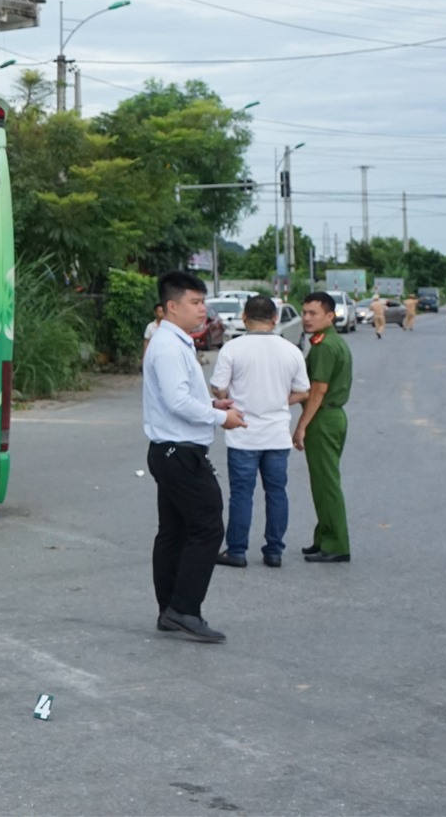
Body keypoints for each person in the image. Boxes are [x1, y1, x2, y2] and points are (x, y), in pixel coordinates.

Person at [140, 269, 245, 643]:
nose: (203, 310)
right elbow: (176, 401)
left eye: (204, 302)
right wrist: (222, 418)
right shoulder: (169, 346)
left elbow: (182, 397)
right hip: (178, 454)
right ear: (171, 306)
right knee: (208, 526)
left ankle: (170, 610)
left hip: (172, 451)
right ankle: (184, 609)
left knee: (174, 532)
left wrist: (213, 403)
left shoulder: (174, 341)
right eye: (195, 303)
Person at [208, 295, 310, 569]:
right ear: (275, 318)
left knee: (241, 494)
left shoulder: (232, 349)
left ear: (244, 317)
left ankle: (237, 550)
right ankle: (274, 551)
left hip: (243, 433)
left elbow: (218, 388)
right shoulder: (291, 351)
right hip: (277, 435)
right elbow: (303, 391)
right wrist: (278, 400)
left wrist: (232, 397)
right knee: (277, 492)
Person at [294, 291, 354, 564]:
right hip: (330, 417)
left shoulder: (326, 346)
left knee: (326, 484)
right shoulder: (324, 342)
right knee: (322, 482)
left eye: (313, 313)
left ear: (330, 316)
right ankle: (324, 537)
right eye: (304, 312)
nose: (307, 318)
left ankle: (337, 544)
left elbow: (317, 391)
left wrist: (301, 426)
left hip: (324, 418)